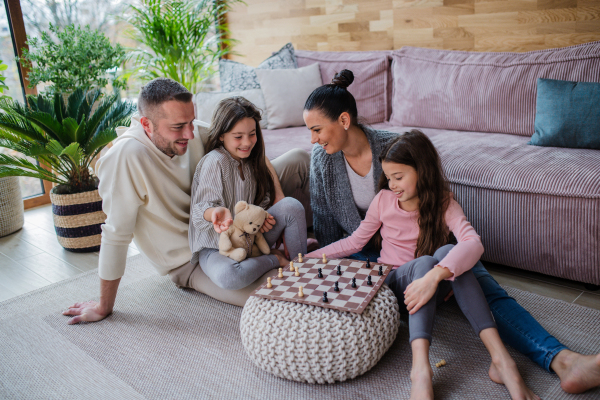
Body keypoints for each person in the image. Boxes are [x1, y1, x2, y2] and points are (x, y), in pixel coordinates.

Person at [304, 69, 600, 394]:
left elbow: (438, 202)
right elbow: (333, 228)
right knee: (440, 267)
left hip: (433, 249)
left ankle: (561, 359)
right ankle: (434, 363)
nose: (313, 139)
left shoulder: (394, 149)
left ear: (344, 120)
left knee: (483, 284)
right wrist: (314, 261)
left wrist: (439, 269)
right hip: (373, 256)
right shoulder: (322, 160)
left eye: (317, 129)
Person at [307, 130, 539, 400]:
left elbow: (473, 243)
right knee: (428, 262)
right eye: (389, 177)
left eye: (399, 177)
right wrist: (308, 259)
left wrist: (435, 277)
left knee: (449, 253)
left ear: (422, 171)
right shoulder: (383, 200)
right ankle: (420, 370)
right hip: (394, 284)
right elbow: (355, 242)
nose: (392, 184)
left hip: (431, 287)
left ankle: (501, 360)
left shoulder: (442, 201)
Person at [63, 78, 311, 323]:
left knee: (299, 159)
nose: (190, 133)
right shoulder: (126, 158)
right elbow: (116, 235)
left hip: (239, 222)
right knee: (279, 294)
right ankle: (275, 256)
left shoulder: (189, 130)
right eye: (179, 127)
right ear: (146, 125)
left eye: (191, 122)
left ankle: (306, 239)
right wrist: (103, 306)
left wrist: (277, 196)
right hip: (195, 257)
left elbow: (250, 148)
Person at [185, 96, 307, 290]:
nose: (247, 142)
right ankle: (275, 259)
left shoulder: (251, 162)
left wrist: (264, 214)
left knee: (291, 206)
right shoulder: (214, 162)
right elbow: (199, 211)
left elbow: (263, 199)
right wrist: (213, 213)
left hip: (251, 236)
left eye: (252, 134)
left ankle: (303, 268)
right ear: (221, 136)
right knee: (229, 276)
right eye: (238, 136)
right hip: (217, 248)